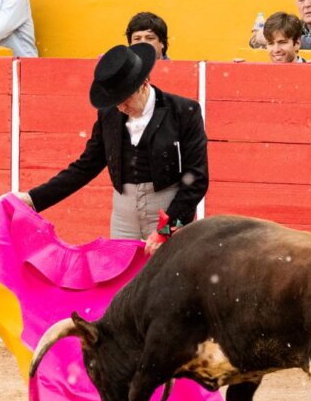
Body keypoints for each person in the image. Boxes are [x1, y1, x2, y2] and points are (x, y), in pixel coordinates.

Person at [16, 42, 209, 253]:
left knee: (170, 272)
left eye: (125, 99)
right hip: (123, 215)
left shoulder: (184, 111)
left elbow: (196, 179)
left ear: (144, 83)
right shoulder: (110, 114)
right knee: (122, 273)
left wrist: (168, 227)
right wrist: (33, 198)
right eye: (115, 101)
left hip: (168, 208)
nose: (121, 107)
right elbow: (85, 167)